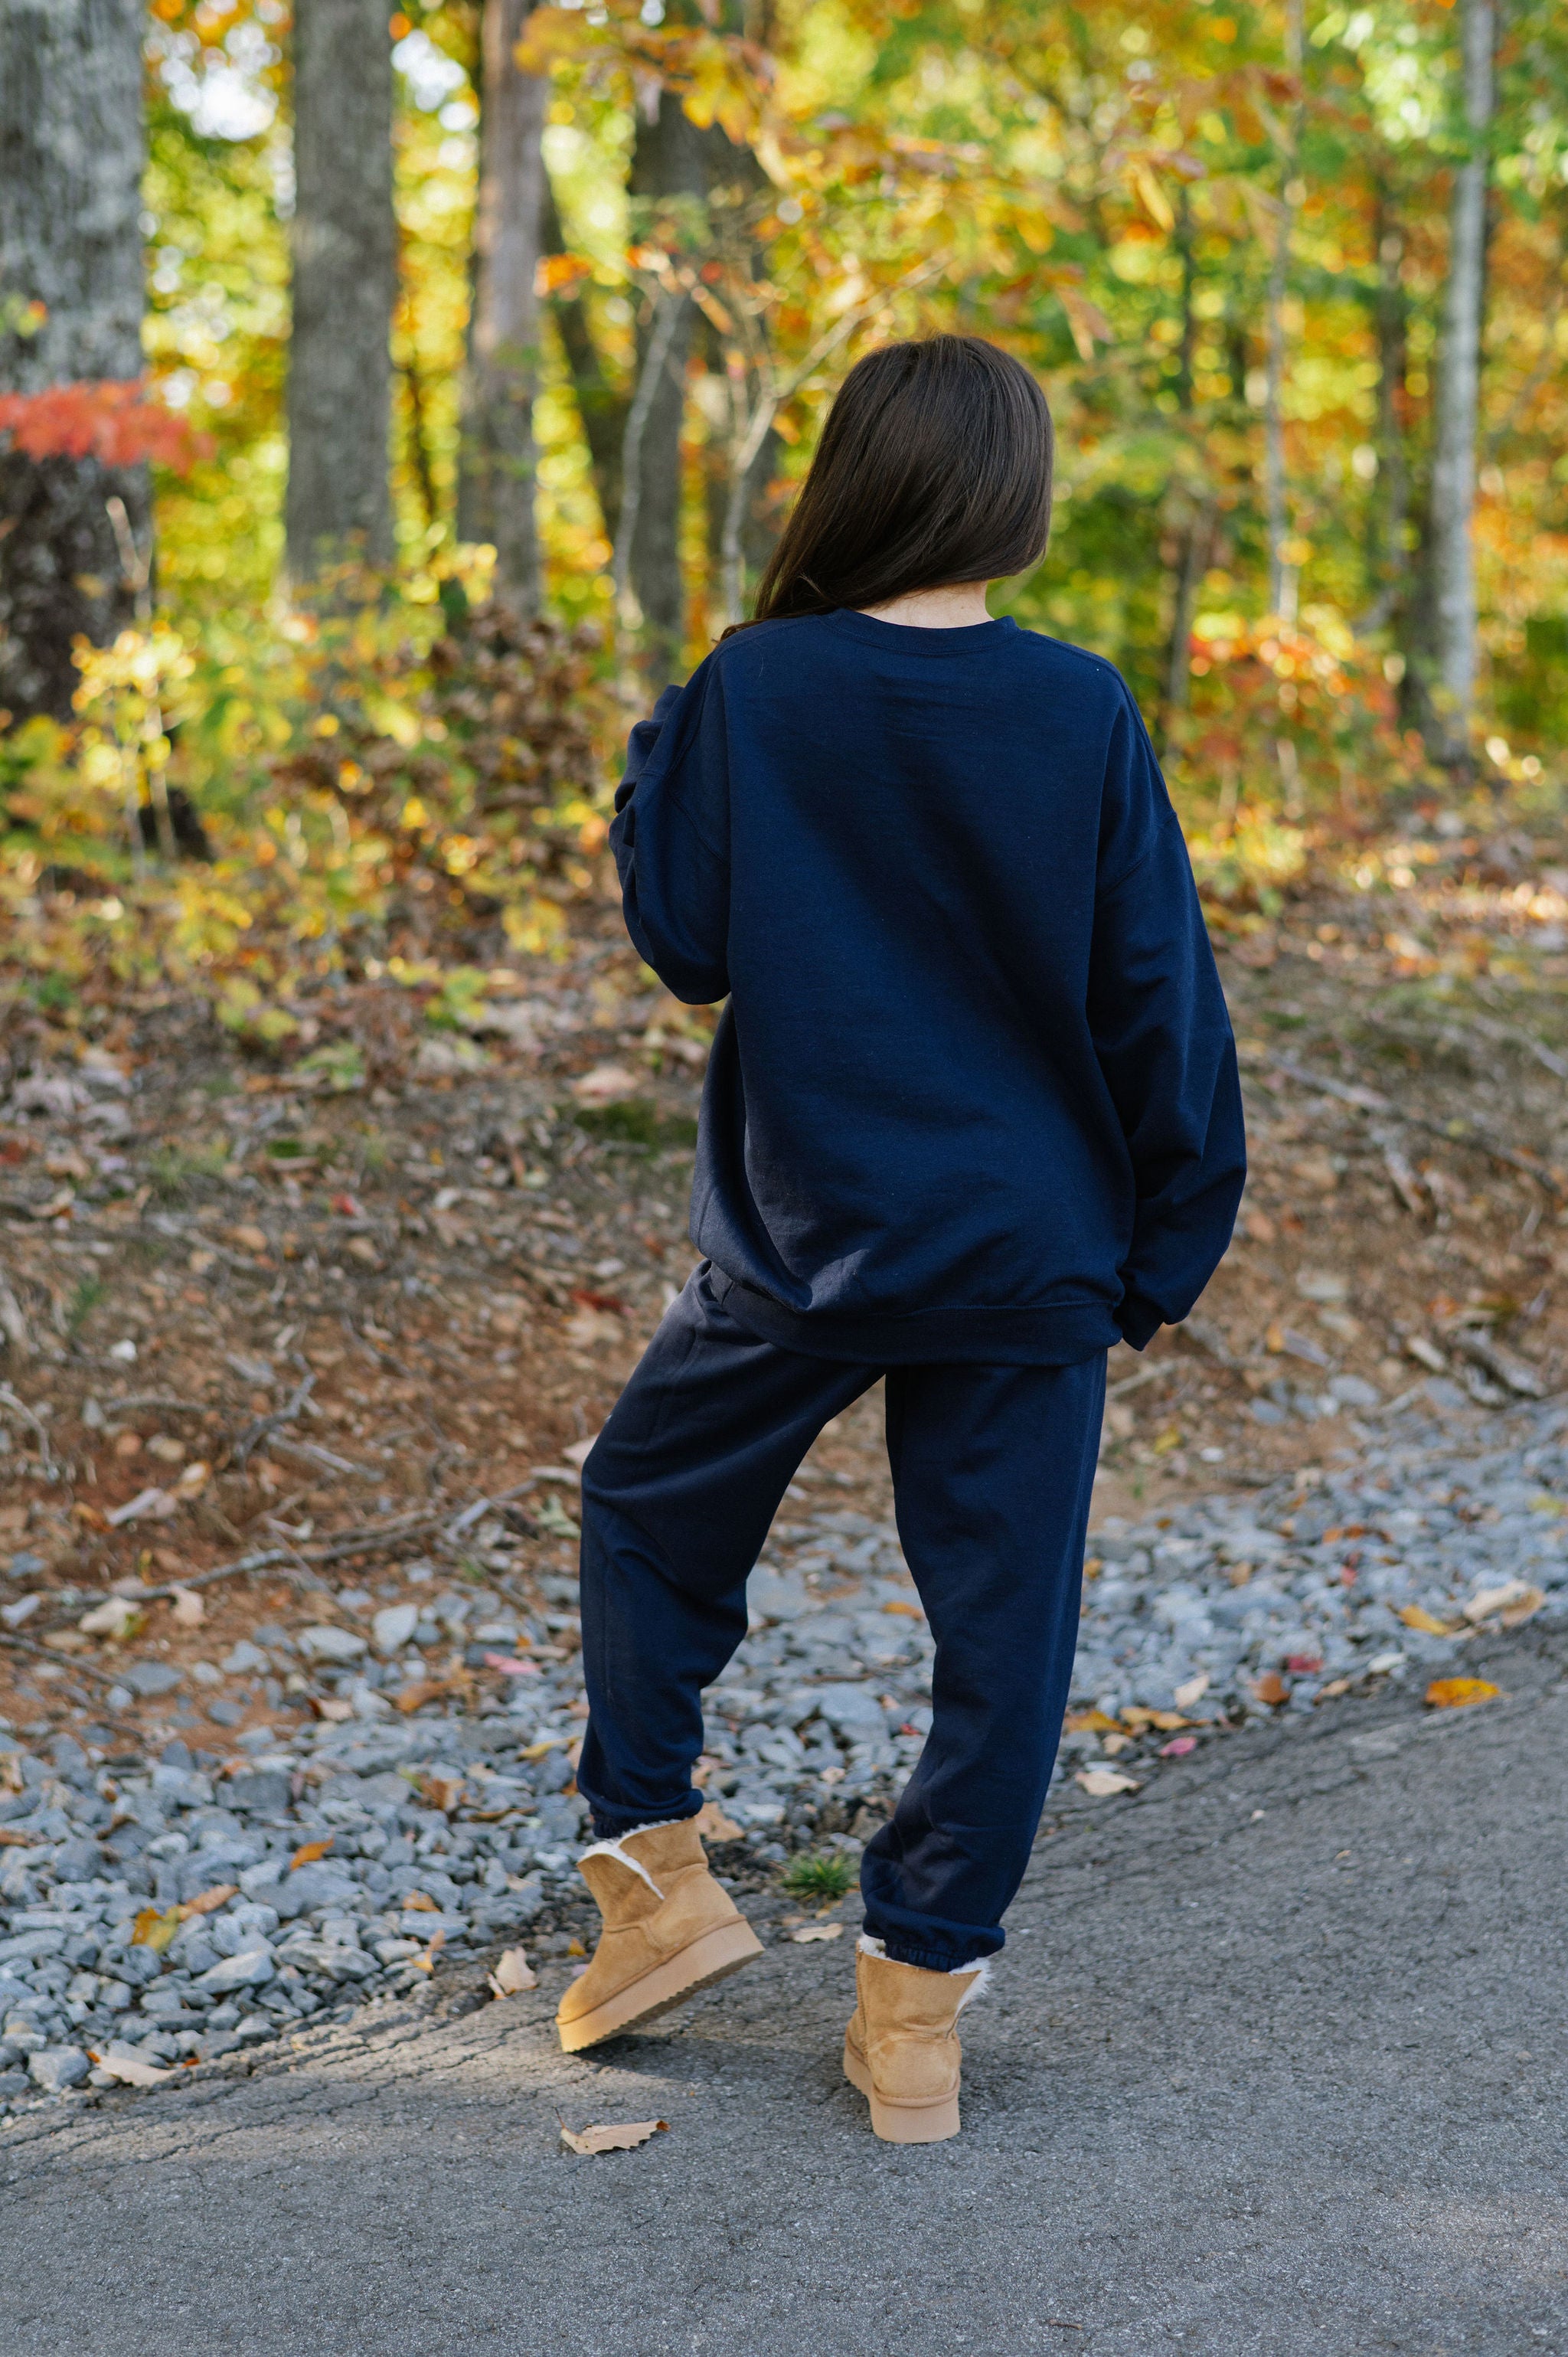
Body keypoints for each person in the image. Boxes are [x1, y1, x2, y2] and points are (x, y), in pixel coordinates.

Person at [555, 333, 1246, 2143]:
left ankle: (652, 1878)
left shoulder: (756, 687)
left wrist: (665, 744)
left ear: (851, 479)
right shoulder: (1080, 704)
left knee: (646, 1506)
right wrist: (1166, 1243)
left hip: (804, 1237)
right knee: (1004, 1634)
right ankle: (915, 2017)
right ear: (1013, 501)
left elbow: (685, 936)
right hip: (1027, 1250)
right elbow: (1155, 994)